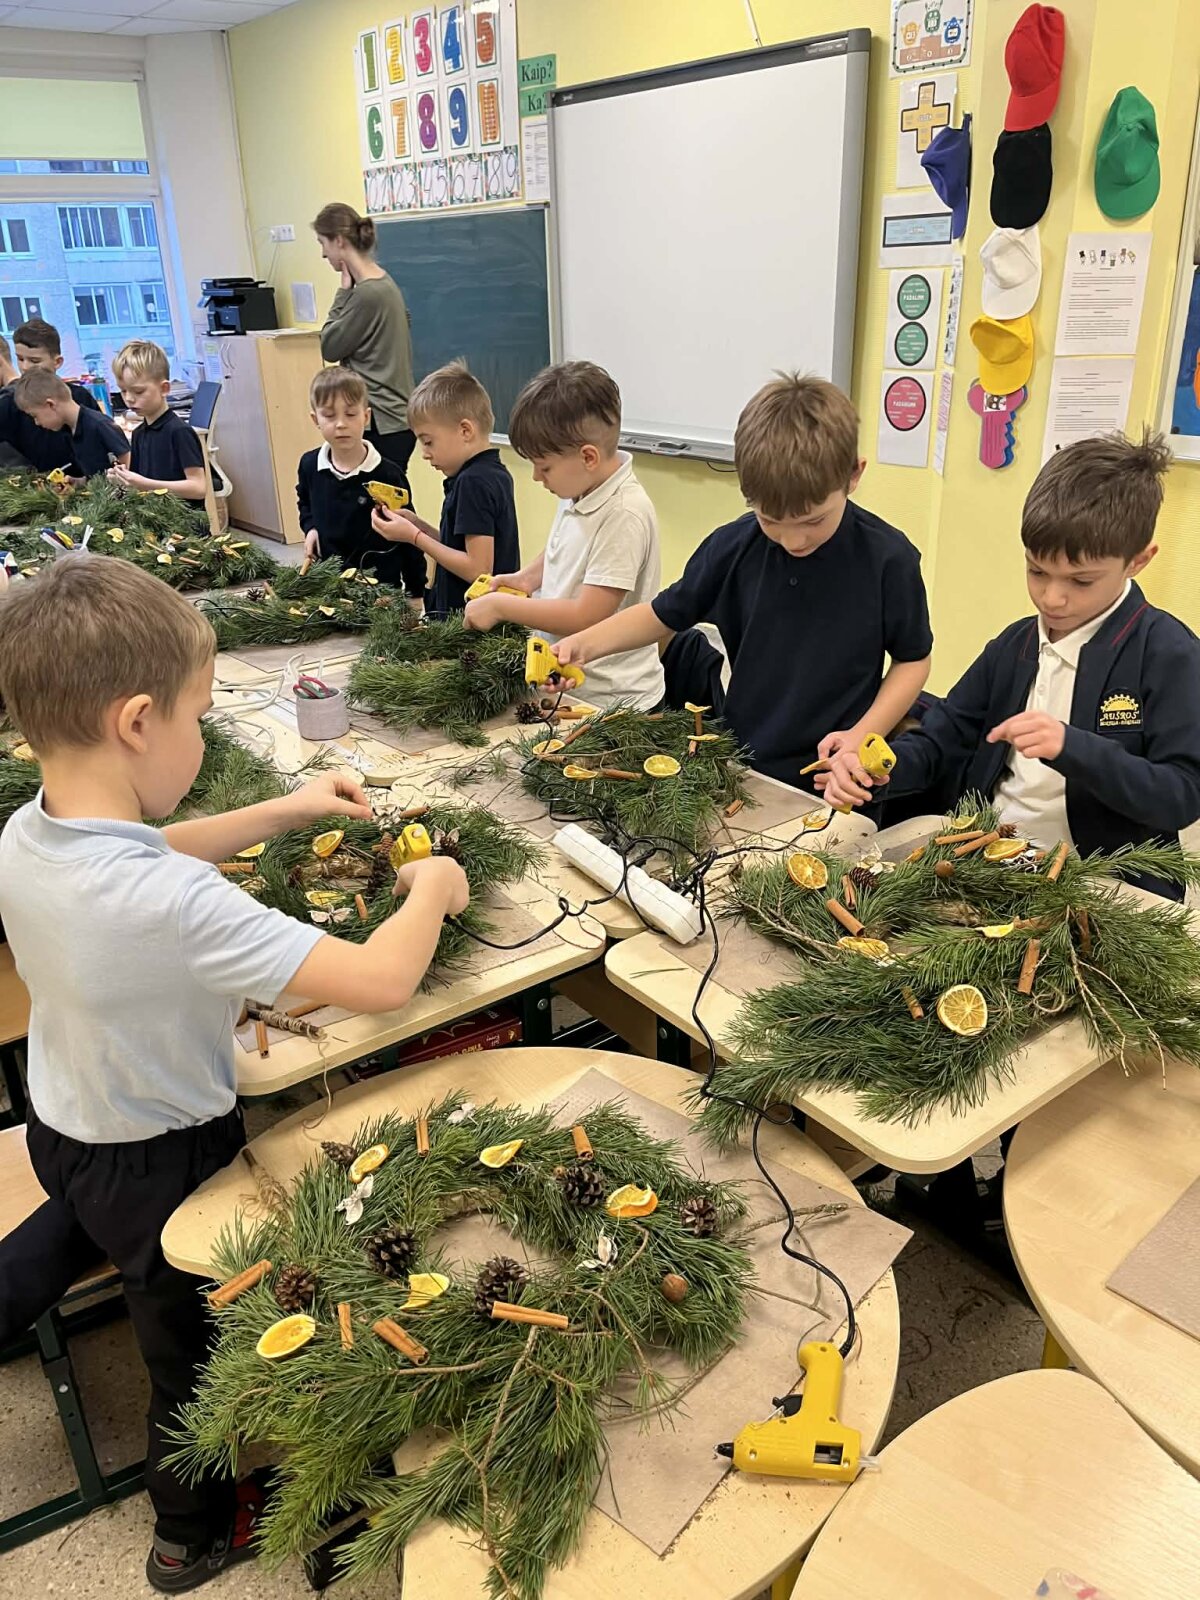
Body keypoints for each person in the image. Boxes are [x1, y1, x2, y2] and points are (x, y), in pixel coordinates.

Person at [0, 555, 468, 1592]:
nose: (204, 738)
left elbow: (154, 845)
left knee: (85, 1218)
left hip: (67, 1128)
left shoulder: (29, 833)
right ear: (137, 722)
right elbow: (383, 980)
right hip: (163, 1158)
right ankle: (189, 1533)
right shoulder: (176, 907)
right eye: (200, 716)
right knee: (192, 1351)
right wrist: (433, 886)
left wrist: (287, 809)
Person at [819, 430, 1200, 901]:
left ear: (1138, 561)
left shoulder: (1168, 653)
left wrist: (1073, 747)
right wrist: (876, 773)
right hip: (990, 863)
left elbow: (1182, 795)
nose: (1052, 598)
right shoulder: (1013, 647)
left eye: (1081, 581)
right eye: (1037, 571)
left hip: (1102, 887)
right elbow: (941, 739)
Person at [554, 374, 933, 776]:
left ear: (853, 475)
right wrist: (582, 645)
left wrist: (863, 735)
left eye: (813, 520)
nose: (793, 541)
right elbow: (662, 615)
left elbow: (913, 661)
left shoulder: (889, 559)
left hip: (839, 773)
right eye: (770, 520)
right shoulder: (732, 547)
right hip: (747, 765)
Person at [459, 361, 664, 710]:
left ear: (588, 457)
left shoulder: (624, 513)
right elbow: (566, 546)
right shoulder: (581, 486)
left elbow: (586, 615)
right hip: (565, 682)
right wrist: (527, 578)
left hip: (613, 700)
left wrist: (501, 606)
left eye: (545, 467)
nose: (537, 477)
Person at [371, 360, 518, 615]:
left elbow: (478, 569)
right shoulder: (492, 472)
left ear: (465, 431)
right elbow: (460, 547)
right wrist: (419, 526)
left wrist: (413, 537)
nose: (424, 453)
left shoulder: (473, 482)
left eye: (428, 442)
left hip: (468, 623)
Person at [298, 368, 425, 596]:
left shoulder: (388, 474)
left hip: (382, 593)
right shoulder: (309, 465)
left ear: (366, 417)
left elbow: (407, 535)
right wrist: (311, 529)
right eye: (329, 415)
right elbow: (305, 503)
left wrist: (416, 591)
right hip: (329, 588)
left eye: (350, 414)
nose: (341, 424)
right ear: (315, 419)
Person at [313, 201, 416, 478]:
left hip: (382, 421)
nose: (323, 254)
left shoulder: (367, 294)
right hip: (395, 421)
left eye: (323, 243)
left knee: (378, 502)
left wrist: (342, 294)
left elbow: (329, 346)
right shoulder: (384, 283)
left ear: (339, 241)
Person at [107, 340, 208, 507]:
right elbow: (138, 485)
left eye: (138, 391)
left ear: (164, 389)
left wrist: (144, 484)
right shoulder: (139, 433)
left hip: (184, 521)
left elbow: (198, 488)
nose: (129, 398)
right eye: (123, 391)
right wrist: (123, 479)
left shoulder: (179, 432)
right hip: (153, 519)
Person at [0, 317, 100, 474]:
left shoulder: (80, 398)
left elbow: (100, 444)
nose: (25, 367)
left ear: (57, 362)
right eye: (20, 359)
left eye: (34, 361)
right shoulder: (8, 404)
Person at [12, 368, 130, 480]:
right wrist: (80, 482)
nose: (36, 422)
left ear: (50, 405)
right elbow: (96, 475)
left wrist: (122, 484)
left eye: (34, 416)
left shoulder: (98, 424)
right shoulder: (70, 430)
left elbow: (127, 456)